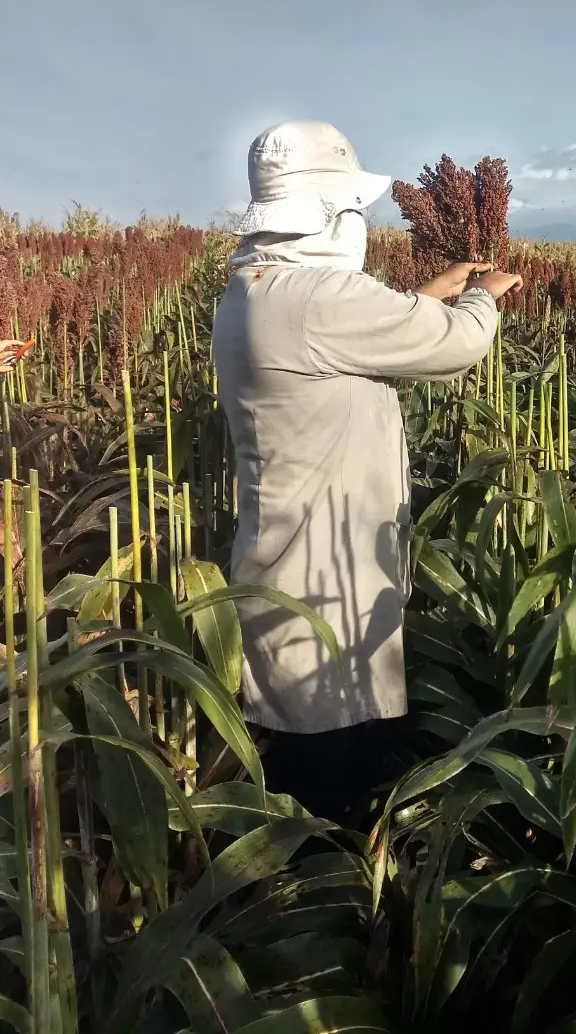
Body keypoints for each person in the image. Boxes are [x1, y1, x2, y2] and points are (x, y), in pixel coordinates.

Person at [213, 121, 522, 822]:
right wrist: (483, 295)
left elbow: (349, 339)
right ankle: (323, 879)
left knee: (321, 754)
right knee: (328, 781)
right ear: (329, 213)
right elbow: (455, 347)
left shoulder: (257, 289)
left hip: (296, 561)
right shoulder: (316, 299)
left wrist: (428, 293)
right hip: (322, 580)